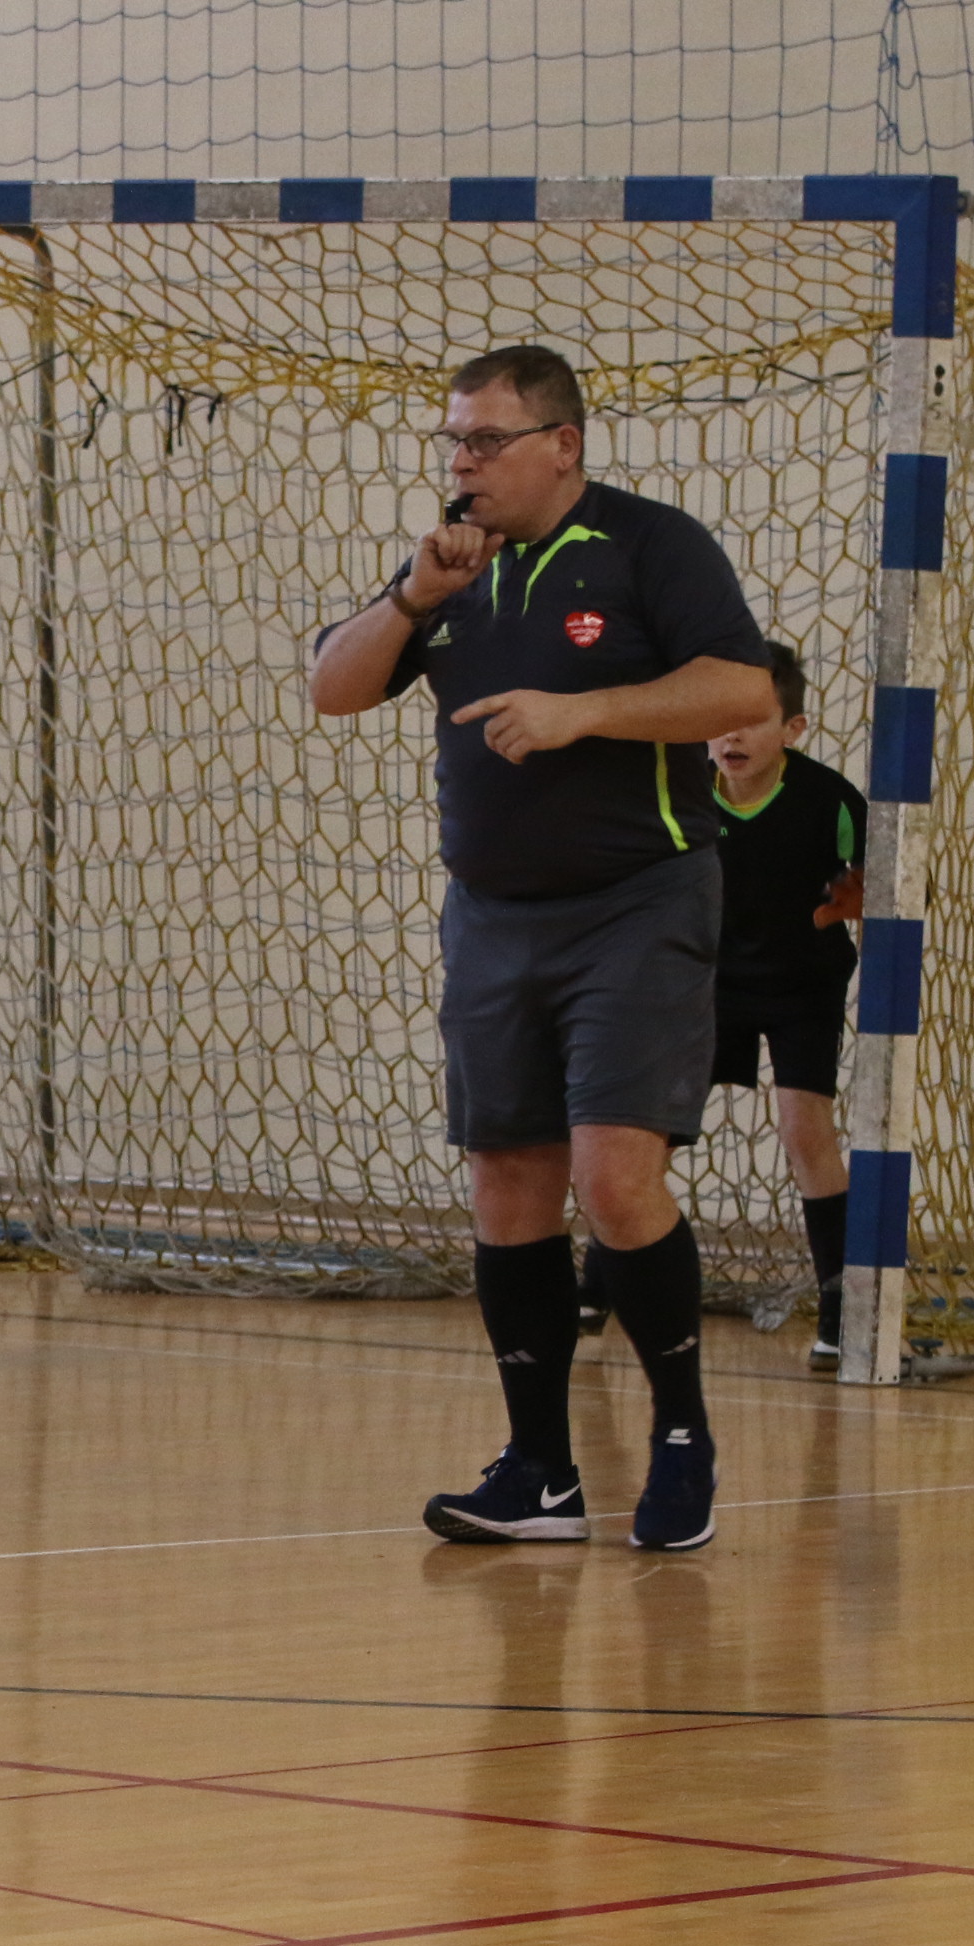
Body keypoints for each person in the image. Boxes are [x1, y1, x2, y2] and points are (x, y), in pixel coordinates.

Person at [307, 344, 777, 1551]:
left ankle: (682, 1436)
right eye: (454, 442)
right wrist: (410, 598)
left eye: (486, 440)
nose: (463, 464)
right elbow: (332, 688)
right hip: (493, 916)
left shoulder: (650, 545)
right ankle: (540, 1471)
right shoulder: (447, 567)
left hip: (637, 904)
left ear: (562, 445)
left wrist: (586, 713)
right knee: (508, 1183)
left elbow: (742, 689)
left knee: (614, 1176)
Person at [579, 640, 868, 1366]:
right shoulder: (681, 793)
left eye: (754, 720)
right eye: (721, 720)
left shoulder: (832, 800)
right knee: (649, 1137)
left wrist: (869, 897)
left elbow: (882, 881)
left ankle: (842, 1308)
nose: (732, 735)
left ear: (793, 729)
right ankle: (596, 1288)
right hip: (706, 987)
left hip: (804, 986)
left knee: (805, 1131)